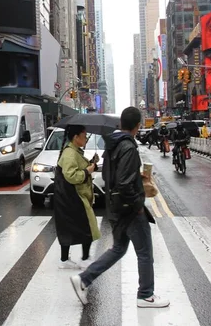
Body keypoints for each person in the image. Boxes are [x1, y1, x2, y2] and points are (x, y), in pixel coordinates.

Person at [70, 107, 169, 308]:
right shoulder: (128, 147)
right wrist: (137, 205)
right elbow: (123, 182)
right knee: (145, 252)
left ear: (121, 124)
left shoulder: (112, 146)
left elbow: (109, 177)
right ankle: (146, 295)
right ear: (137, 126)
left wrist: (135, 177)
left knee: (118, 249)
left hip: (114, 207)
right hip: (129, 209)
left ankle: (84, 278)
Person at [54, 125, 101, 269]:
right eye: (84, 135)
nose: (86, 138)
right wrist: (88, 170)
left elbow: (77, 169)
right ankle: (85, 258)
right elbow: (72, 175)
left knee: (69, 227)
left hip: (70, 196)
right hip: (74, 196)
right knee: (88, 225)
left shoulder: (74, 152)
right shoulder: (70, 153)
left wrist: (92, 164)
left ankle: (64, 260)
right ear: (76, 137)